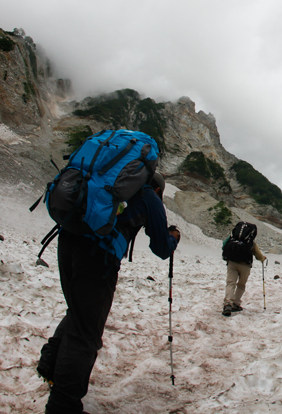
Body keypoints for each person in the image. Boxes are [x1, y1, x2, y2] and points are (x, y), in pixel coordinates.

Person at [38, 172, 180, 414]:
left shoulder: (105, 182)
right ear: (157, 189)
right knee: (87, 331)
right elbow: (161, 247)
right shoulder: (149, 196)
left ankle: (51, 361)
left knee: (78, 309)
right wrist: (173, 237)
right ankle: (63, 405)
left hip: (68, 239)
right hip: (99, 255)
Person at [222, 222, 266, 316]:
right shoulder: (250, 242)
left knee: (230, 283)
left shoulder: (232, 238)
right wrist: (263, 259)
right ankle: (236, 303)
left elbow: (224, 245)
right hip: (245, 265)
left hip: (232, 262)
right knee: (241, 285)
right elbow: (258, 255)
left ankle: (227, 304)